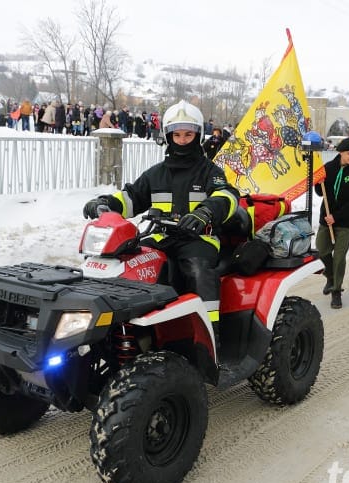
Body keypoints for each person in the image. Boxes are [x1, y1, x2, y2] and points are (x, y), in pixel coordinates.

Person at [83, 100, 239, 345]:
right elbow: (131, 197)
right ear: (168, 136)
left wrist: (204, 213)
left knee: (198, 271)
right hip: (160, 237)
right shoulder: (156, 173)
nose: (183, 140)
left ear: (197, 135)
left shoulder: (210, 171)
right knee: (127, 265)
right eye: (177, 134)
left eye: (188, 134)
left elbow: (227, 196)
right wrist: (105, 203)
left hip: (198, 239)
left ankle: (209, 336)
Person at [314, 136, 349, 309]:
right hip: (326, 219)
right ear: (341, 153)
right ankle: (330, 276)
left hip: (345, 222)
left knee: (339, 257)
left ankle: (336, 291)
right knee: (321, 250)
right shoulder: (328, 168)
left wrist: (336, 216)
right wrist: (318, 182)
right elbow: (320, 193)